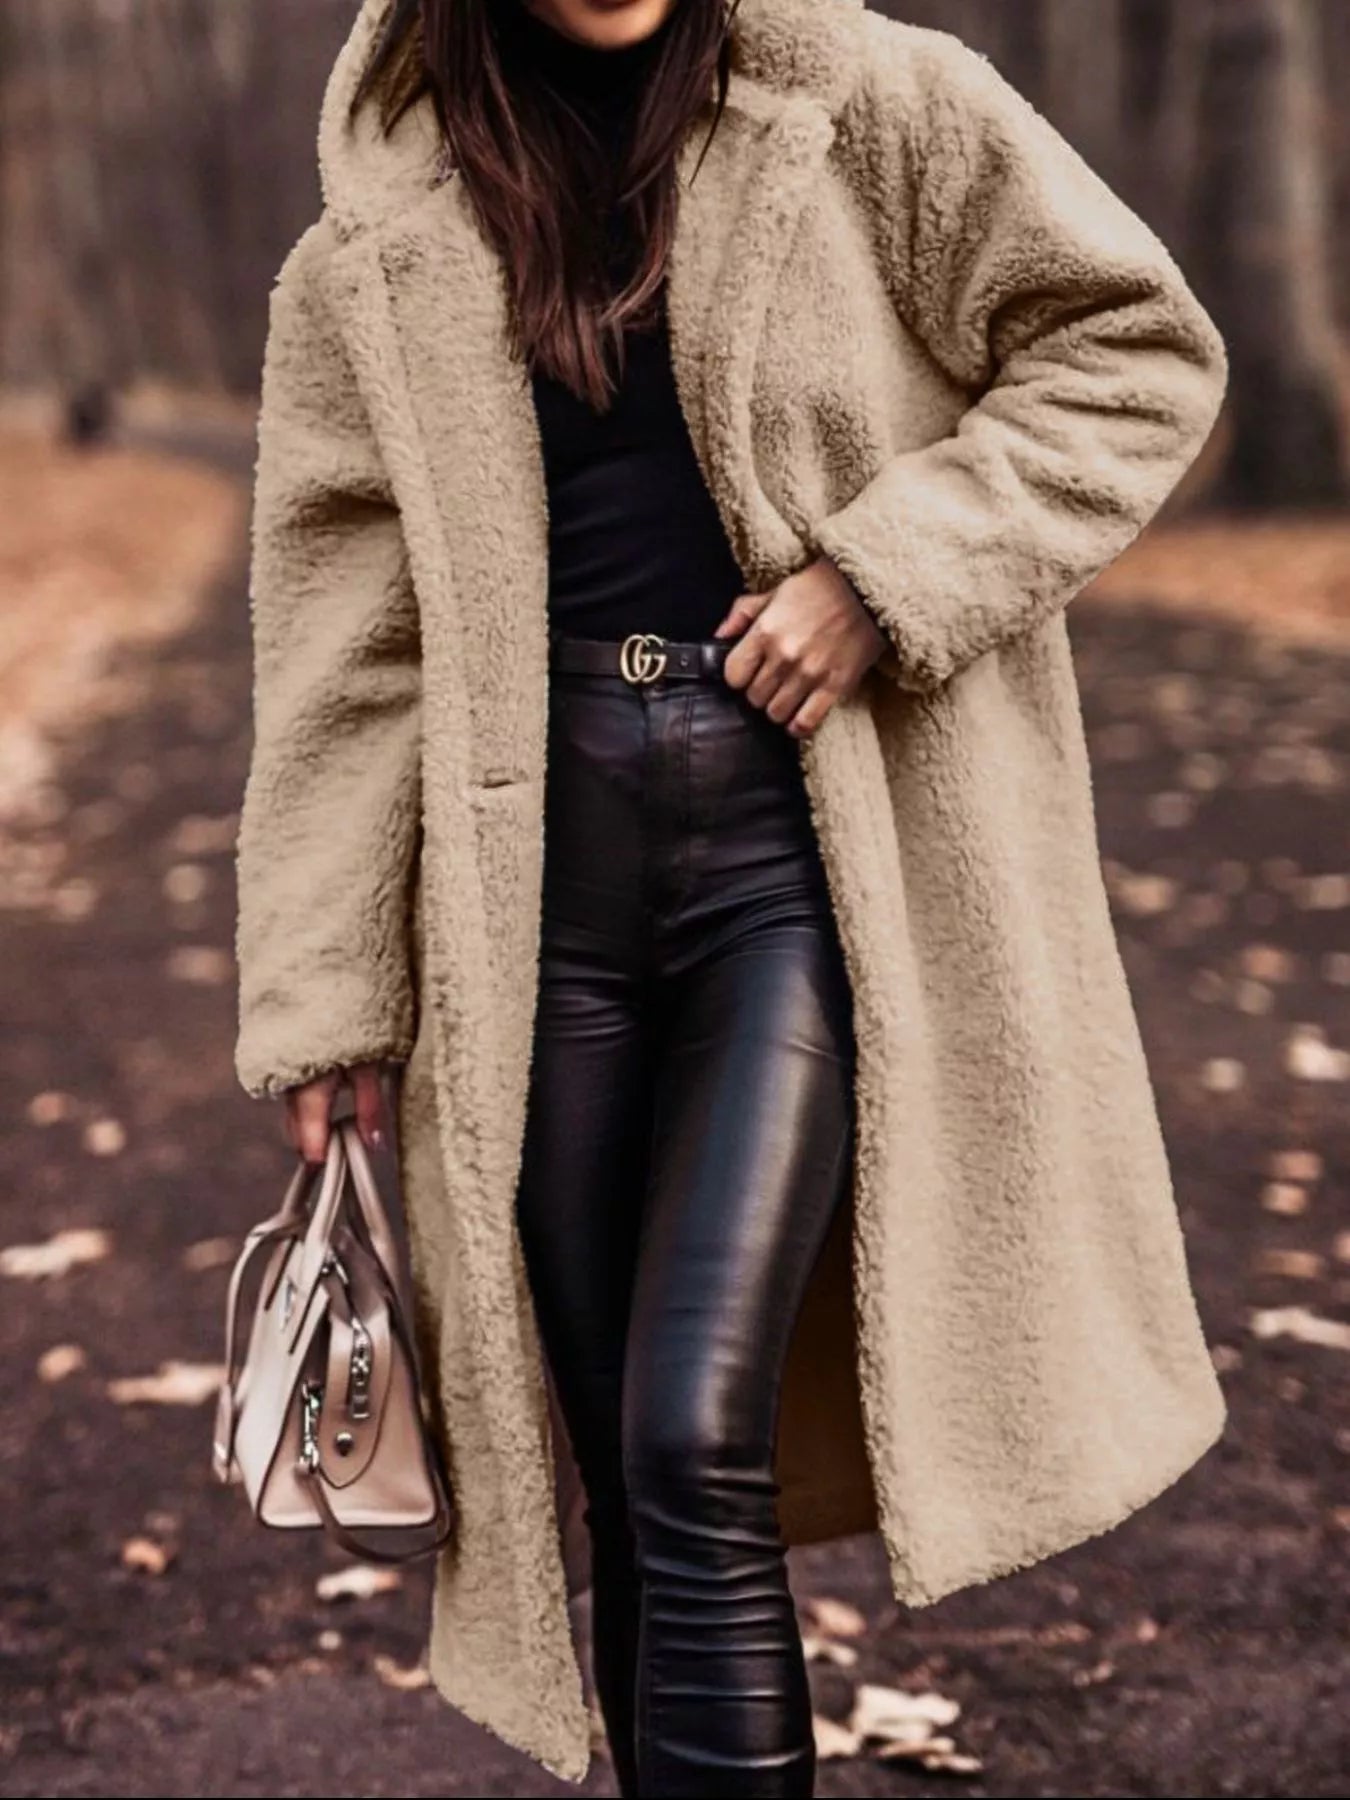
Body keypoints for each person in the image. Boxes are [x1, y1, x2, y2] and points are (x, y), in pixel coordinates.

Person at [233, 1, 1230, 1795]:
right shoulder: (364, 243)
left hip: (797, 868)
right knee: (622, 1471)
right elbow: (342, 649)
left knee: (694, 1433)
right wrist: (325, 990)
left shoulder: (875, 101)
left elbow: (1133, 348)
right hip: (526, 912)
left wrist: (884, 570)